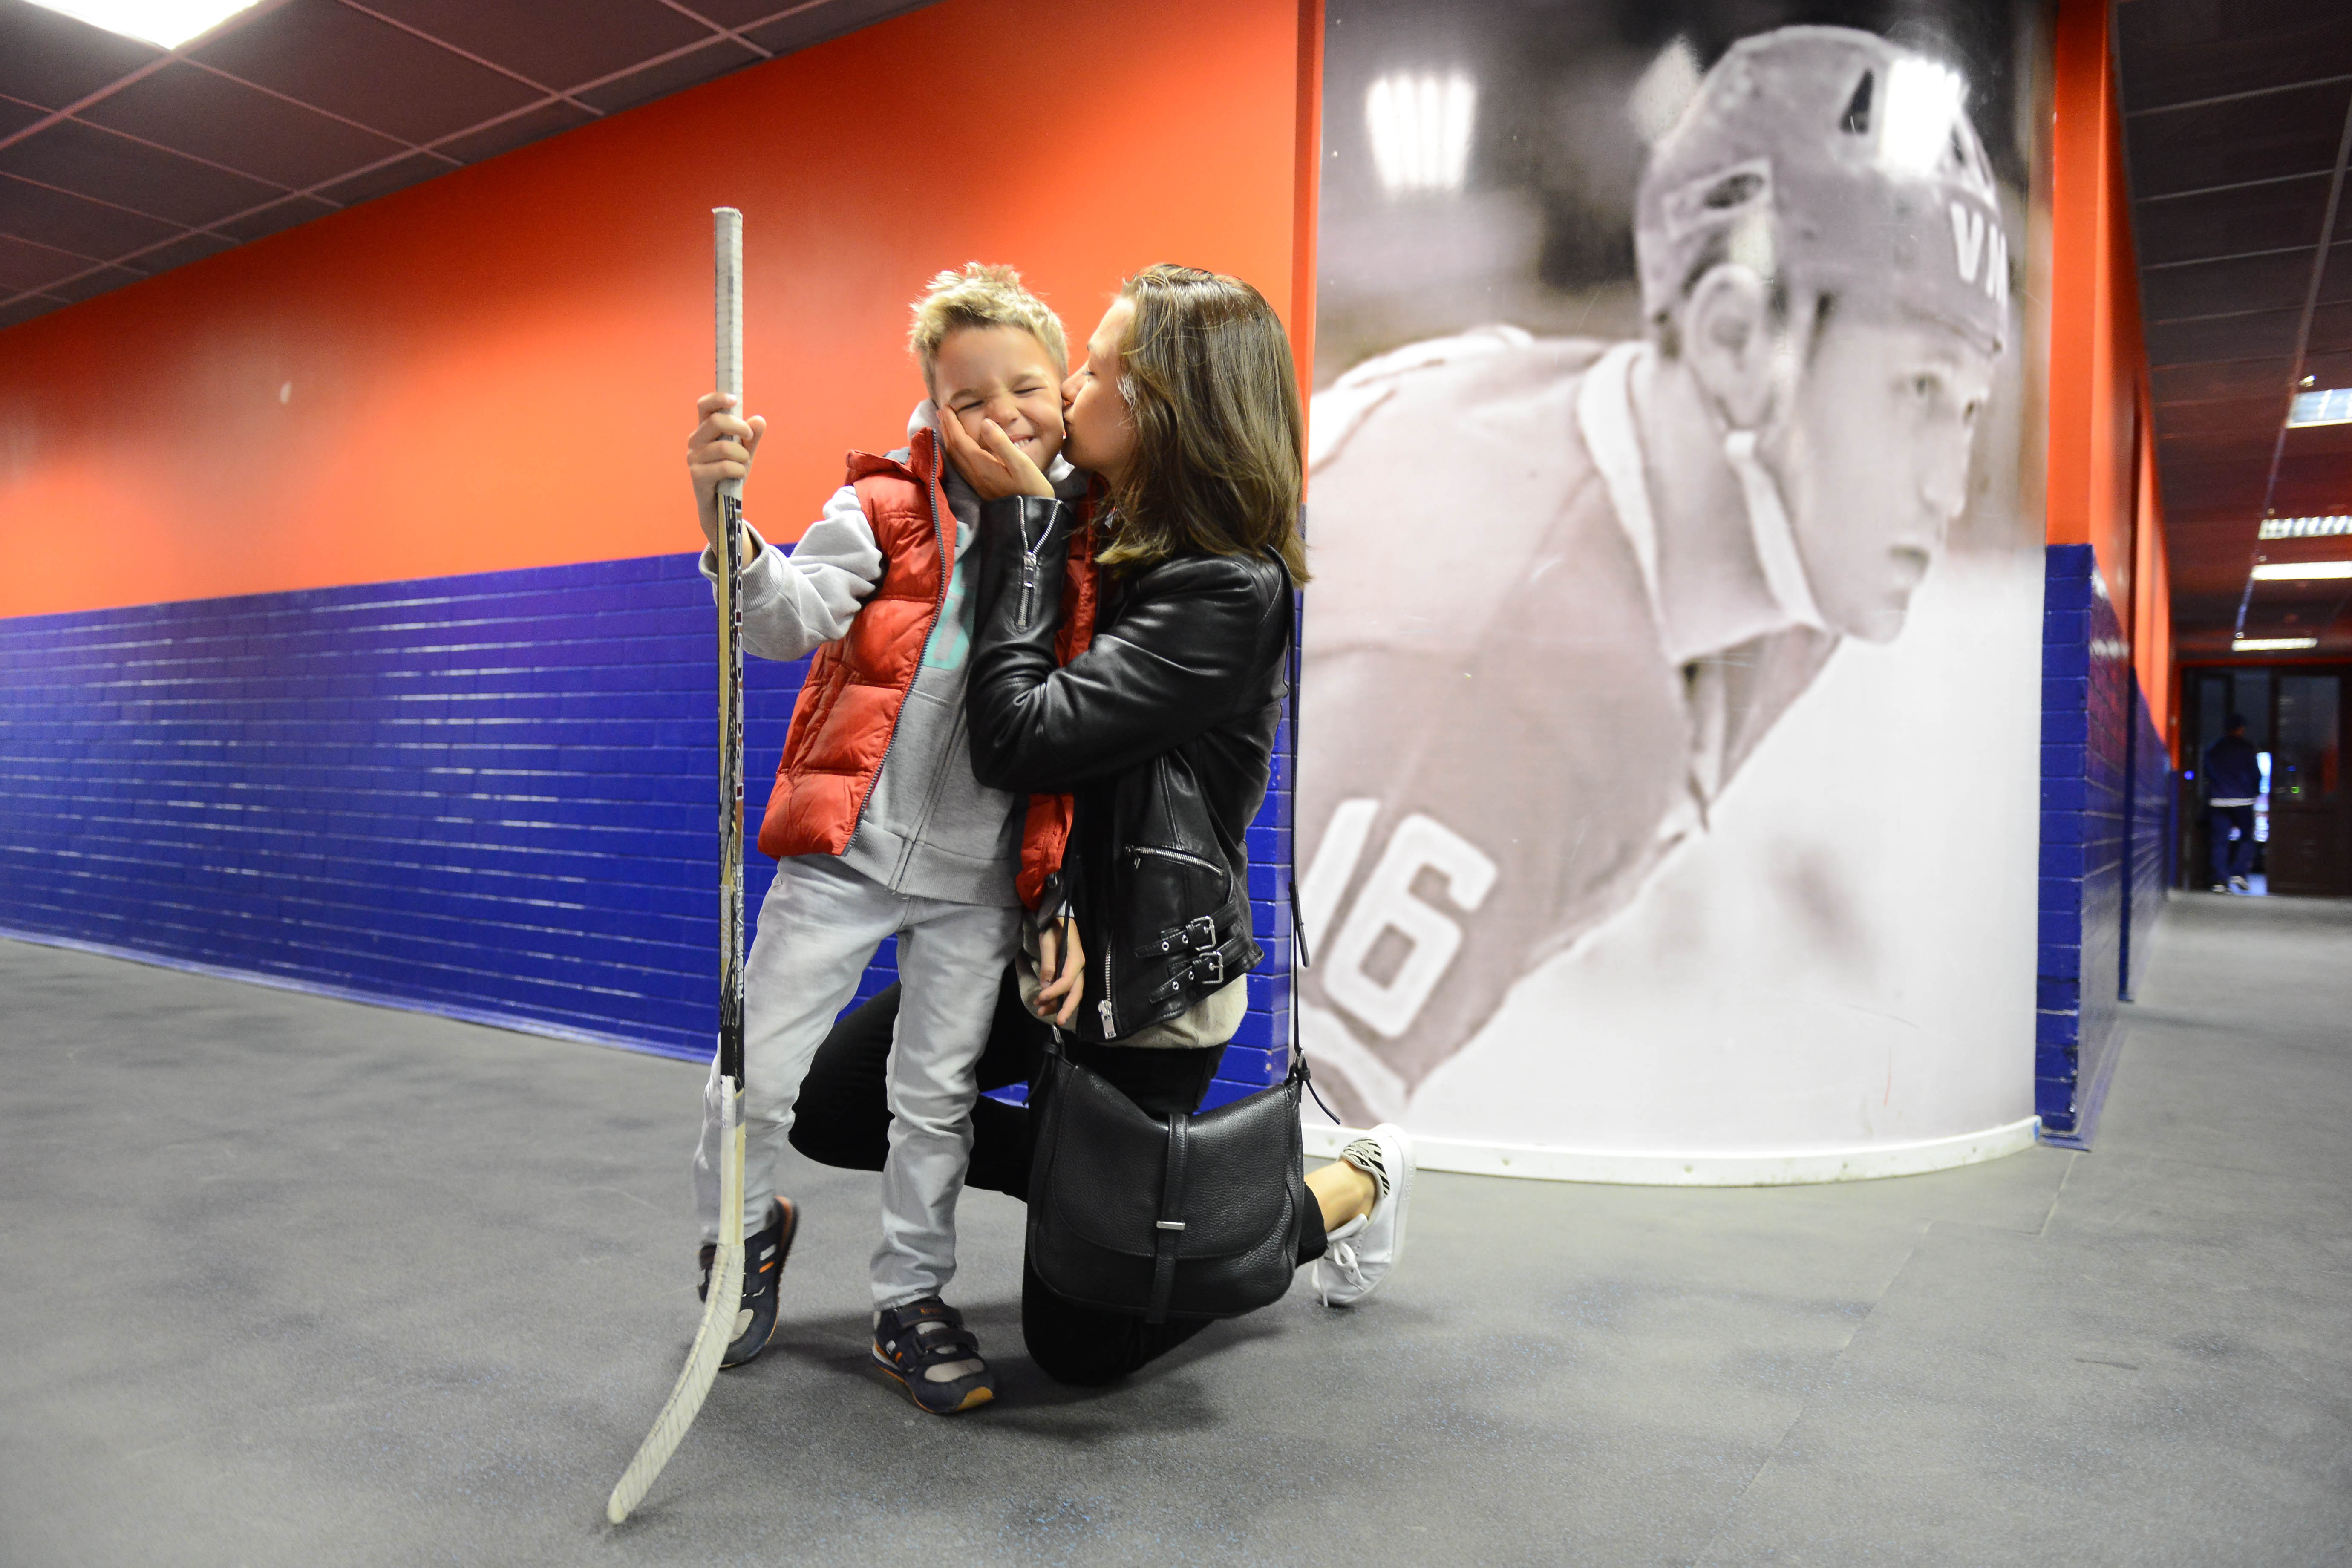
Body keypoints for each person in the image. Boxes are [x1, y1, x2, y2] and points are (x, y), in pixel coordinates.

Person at [1293, 27, 2012, 1123]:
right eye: (1914, 391)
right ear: (1730, 340)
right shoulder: (1502, 681)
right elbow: (1245, 1149)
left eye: (1967, 409)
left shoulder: (1784, 551)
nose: (1948, 488)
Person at [794, 265, 1418, 1389]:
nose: (1069, 388)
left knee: (1082, 1352)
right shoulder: (1085, 519)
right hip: (1051, 933)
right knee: (833, 1098)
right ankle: (1121, 1194)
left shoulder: (1228, 590)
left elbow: (1024, 737)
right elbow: (953, 444)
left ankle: (1342, 1183)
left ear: (1162, 410)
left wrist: (1028, 531)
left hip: (1146, 972)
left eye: (1096, 368)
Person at [678, 263, 1092, 1414]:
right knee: (745, 1087)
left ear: (1066, 390)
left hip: (978, 883)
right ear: (931, 408)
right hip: (846, 857)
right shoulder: (881, 509)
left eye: (1028, 389)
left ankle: (910, 1300)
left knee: (936, 1102)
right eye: (970, 400)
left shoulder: (1082, 541)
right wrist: (731, 528)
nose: (1003, 415)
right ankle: (746, 1237)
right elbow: (784, 621)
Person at [2203, 715, 2262, 893]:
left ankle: (2220, 881)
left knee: (2220, 841)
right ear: (2241, 729)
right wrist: (2255, 791)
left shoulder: (2214, 749)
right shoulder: (2247, 748)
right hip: (2243, 800)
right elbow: (2255, 774)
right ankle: (2239, 873)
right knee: (2247, 837)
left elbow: (2208, 772)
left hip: (2219, 800)